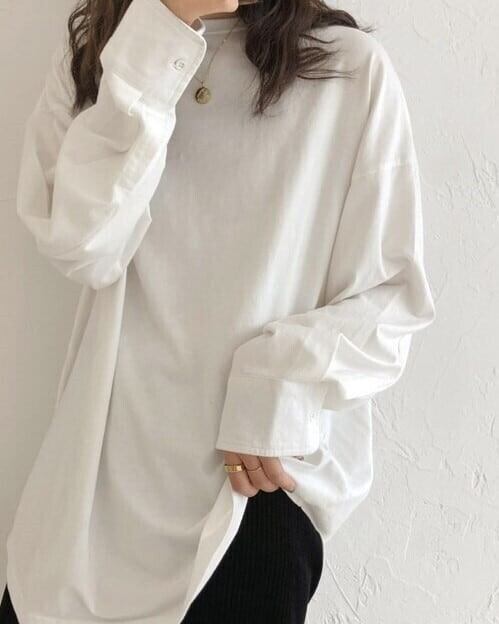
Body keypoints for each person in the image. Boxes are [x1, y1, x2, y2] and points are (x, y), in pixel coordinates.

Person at [2, 0, 436, 622]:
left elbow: (392, 297)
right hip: (88, 507)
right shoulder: (104, 57)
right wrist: (164, 33)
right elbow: (81, 245)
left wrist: (273, 385)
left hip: (248, 495)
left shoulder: (345, 69)